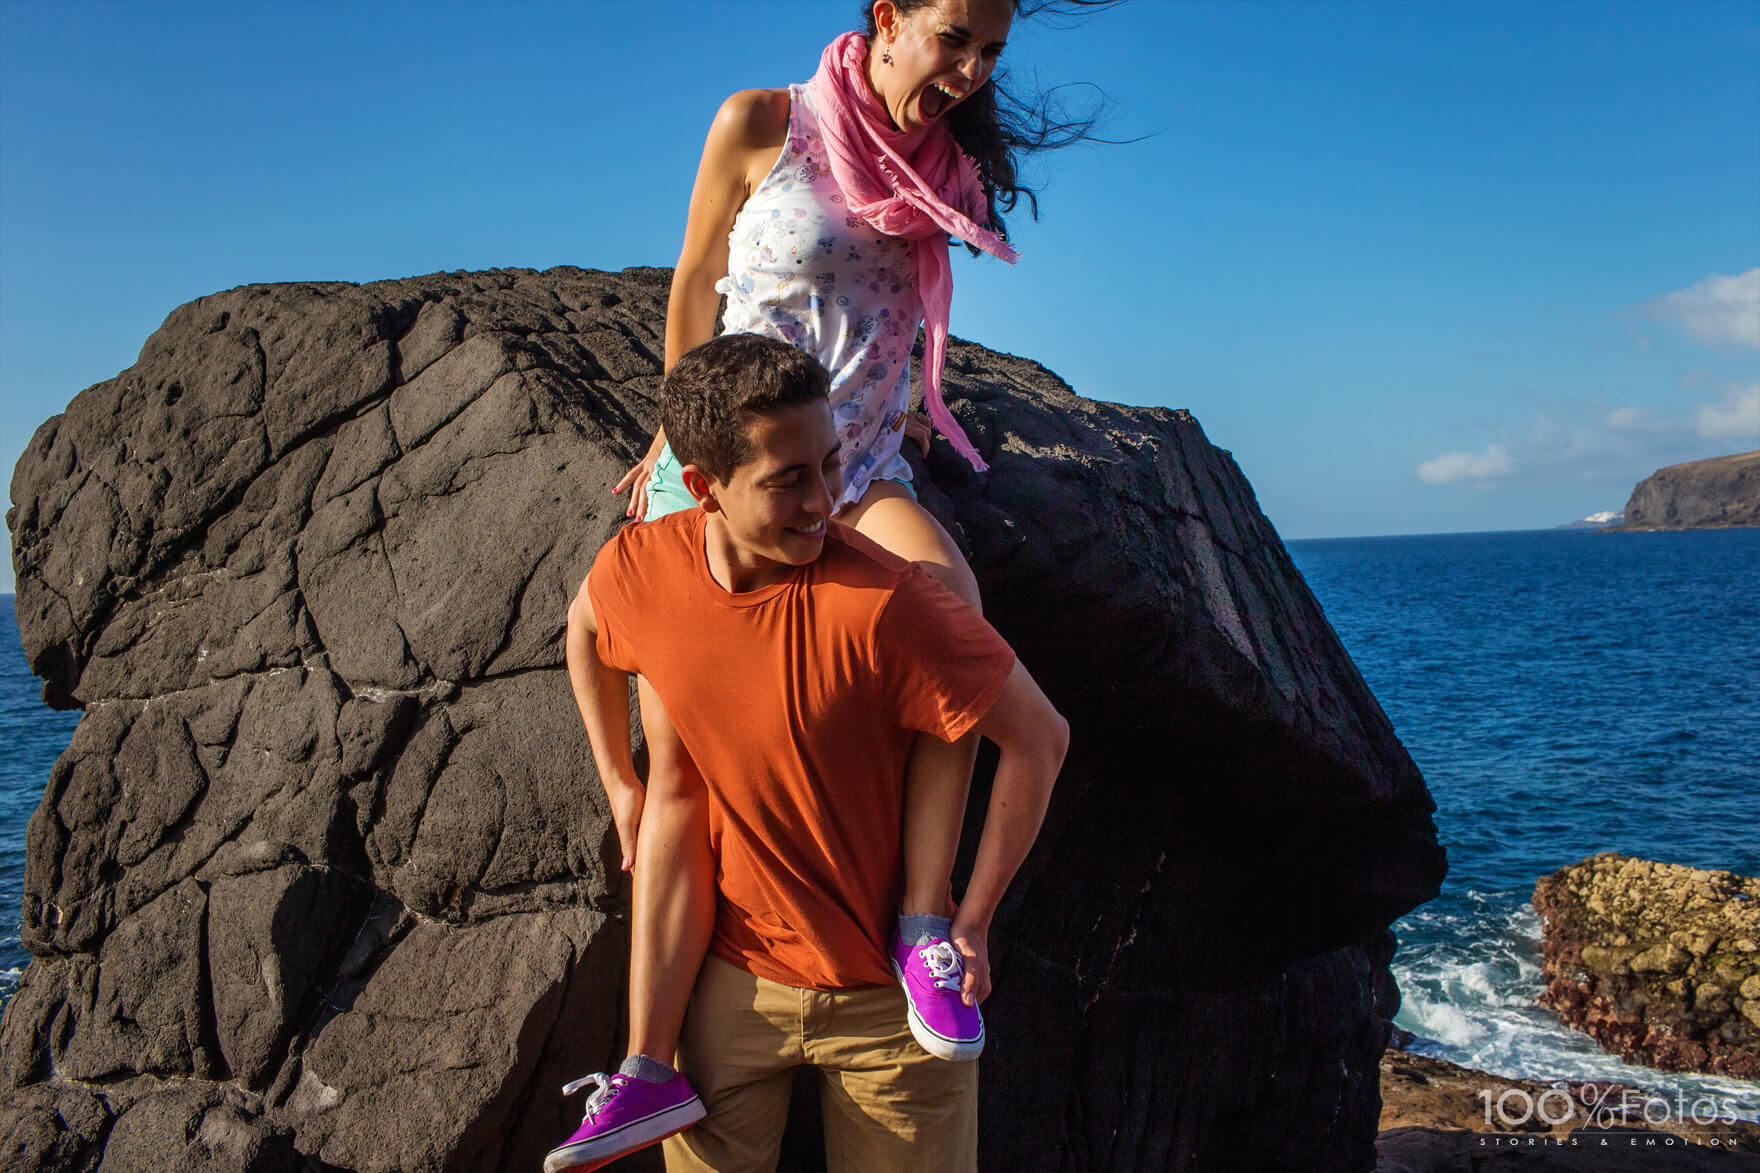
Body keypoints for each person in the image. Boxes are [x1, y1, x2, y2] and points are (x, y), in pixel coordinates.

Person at [550, 334, 1068, 1172]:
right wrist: (621, 781)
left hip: (888, 1007)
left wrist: (970, 922)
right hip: (727, 987)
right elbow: (583, 624)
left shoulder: (888, 602)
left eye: (829, 464)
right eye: (786, 479)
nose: (822, 499)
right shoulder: (642, 572)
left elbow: (1040, 737)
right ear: (702, 487)